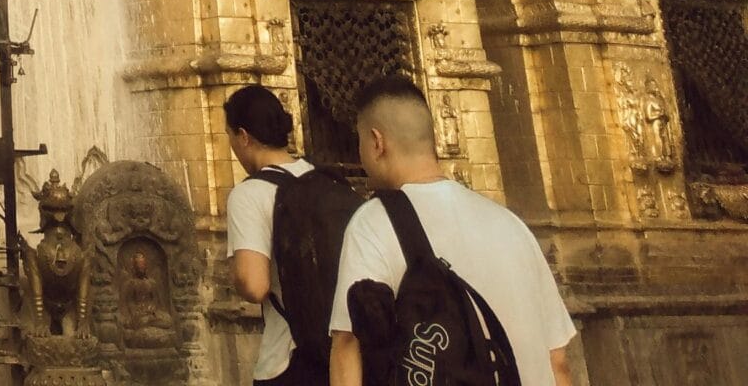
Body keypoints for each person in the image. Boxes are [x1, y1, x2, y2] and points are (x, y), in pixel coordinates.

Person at [328, 76, 577, 386]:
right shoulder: (512, 225)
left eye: (361, 142)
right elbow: (558, 361)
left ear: (377, 142)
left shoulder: (373, 223)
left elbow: (346, 347)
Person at [224, 82, 347, 385]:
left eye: (229, 136)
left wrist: (235, 273)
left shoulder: (250, 194)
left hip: (289, 358)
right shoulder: (326, 179)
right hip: (344, 350)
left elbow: (254, 286)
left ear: (243, 136)